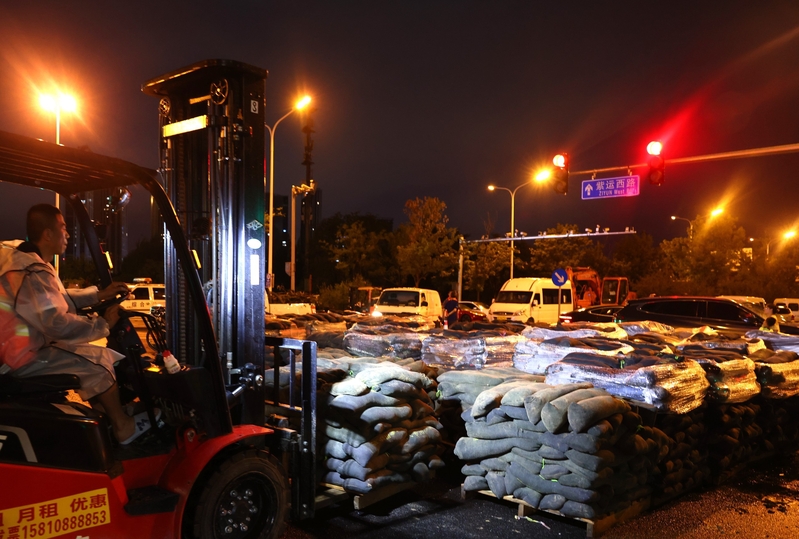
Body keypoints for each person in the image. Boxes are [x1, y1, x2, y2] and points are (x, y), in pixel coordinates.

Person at [0, 204, 152, 444]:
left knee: (92, 356)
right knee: (99, 363)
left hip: (15, 350)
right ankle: (123, 427)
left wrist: (99, 295)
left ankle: (108, 418)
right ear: (48, 234)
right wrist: (103, 324)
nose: (68, 234)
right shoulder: (32, 270)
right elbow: (57, 323)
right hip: (20, 357)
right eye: (63, 228)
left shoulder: (21, 258)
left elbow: (54, 299)